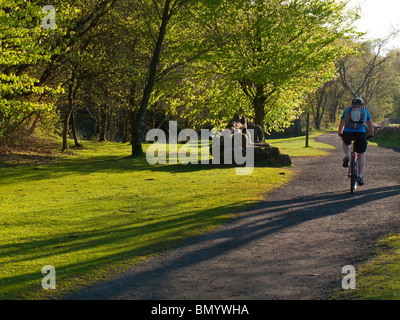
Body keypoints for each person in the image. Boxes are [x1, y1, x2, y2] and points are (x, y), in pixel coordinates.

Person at [338, 97, 374, 186]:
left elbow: (341, 123)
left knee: (346, 142)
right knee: (361, 153)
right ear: (361, 104)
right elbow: (370, 124)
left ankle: (346, 156)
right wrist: (371, 134)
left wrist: (340, 132)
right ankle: (360, 176)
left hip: (348, 133)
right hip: (360, 134)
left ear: (352, 104)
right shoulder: (365, 111)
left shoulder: (347, 110)